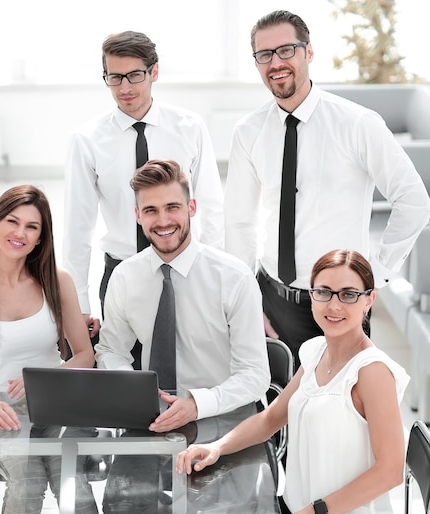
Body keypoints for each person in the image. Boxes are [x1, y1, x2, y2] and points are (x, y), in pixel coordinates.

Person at [224, 9, 430, 368]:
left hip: (339, 302)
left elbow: (412, 200)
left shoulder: (358, 123)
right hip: (271, 296)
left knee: (341, 414)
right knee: (275, 412)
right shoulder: (248, 130)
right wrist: (246, 303)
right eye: (264, 55)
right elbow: (239, 223)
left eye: (286, 50)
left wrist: (375, 274)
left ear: (309, 52)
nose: (276, 62)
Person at [94, 159, 270, 512]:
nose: (163, 221)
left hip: (223, 426)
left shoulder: (233, 278)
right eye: (151, 210)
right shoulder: (126, 277)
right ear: (138, 215)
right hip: (150, 425)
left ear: (191, 207)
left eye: (172, 207)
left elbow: (255, 376)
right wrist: (135, 393)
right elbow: (111, 349)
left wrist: (197, 404)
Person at [177, 249, 410, 514]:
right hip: (295, 507)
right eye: (323, 292)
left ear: (369, 300)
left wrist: (314, 511)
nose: (334, 306)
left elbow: (390, 471)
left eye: (348, 294)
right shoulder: (316, 351)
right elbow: (270, 419)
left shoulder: (372, 372)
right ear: (311, 296)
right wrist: (216, 448)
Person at [63, 30, 225, 343]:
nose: (124, 87)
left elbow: (212, 206)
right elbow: (77, 228)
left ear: (155, 71)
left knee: (188, 368)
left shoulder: (189, 127)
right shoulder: (87, 140)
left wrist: (212, 277)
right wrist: (79, 304)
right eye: (114, 77)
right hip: (121, 272)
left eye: (135, 75)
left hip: (184, 269)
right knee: (125, 375)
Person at [0, 185, 98, 514]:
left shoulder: (57, 280)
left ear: (42, 237)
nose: (20, 233)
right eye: (13, 222)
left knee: (69, 479)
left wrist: (41, 379)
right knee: (28, 483)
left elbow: (85, 355)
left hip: (62, 398)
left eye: (32, 226)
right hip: (6, 407)